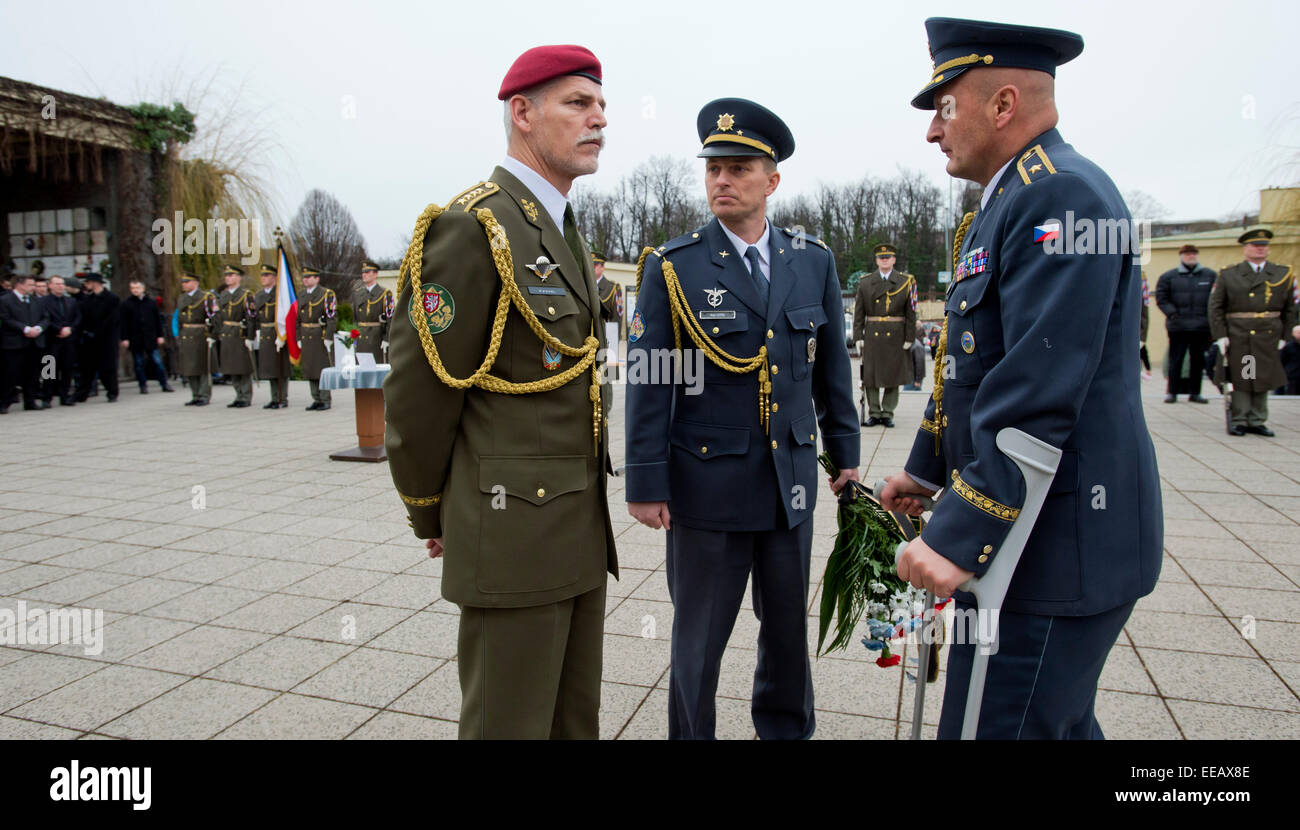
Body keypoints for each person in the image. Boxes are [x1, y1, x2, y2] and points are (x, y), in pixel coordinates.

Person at [879, 17, 1162, 740]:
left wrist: (958, 534)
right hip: (1029, 527)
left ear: (1003, 105)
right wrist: (926, 472)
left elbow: (1037, 390)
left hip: (1051, 543)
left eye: (944, 109)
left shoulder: (1058, 197)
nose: (932, 133)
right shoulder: (1007, 201)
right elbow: (972, 366)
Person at [384, 44, 618, 740]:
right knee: (508, 725)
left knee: (572, 723)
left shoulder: (559, 226)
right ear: (522, 113)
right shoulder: (474, 224)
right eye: (578, 103)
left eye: (602, 106)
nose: (599, 119)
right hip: (511, 532)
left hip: (575, 527)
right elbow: (421, 391)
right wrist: (431, 510)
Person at [625, 98, 859, 740]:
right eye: (713, 170)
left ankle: (786, 732)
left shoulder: (812, 260)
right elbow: (650, 379)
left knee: (787, 632)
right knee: (698, 641)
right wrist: (646, 481)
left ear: (772, 180)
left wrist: (844, 453)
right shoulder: (673, 265)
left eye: (738, 168)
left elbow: (829, 367)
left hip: (789, 484)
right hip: (707, 487)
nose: (721, 181)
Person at [1209, 228, 1297, 436]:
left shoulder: (1282, 273)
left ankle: (1257, 419)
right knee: (1242, 375)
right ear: (1245, 249)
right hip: (1239, 332)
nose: (1260, 249)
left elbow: (1291, 308)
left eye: (1264, 246)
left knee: (1263, 375)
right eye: (1255, 246)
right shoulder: (1229, 274)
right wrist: (1220, 335)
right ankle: (1240, 418)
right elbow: (1216, 307)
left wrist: (1285, 336)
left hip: (1268, 333)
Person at [852, 243, 917, 427]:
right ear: (876, 261)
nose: (884, 260)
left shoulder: (906, 281)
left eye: (888, 257)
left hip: (896, 335)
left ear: (894, 260)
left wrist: (909, 337)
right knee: (870, 377)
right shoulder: (865, 282)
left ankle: (887, 412)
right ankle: (874, 412)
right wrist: (858, 336)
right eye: (881, 258)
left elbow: (911, 312)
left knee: (893, 376)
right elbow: (859, 313)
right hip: (873, 335)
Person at [1155, 244, 1215, 402]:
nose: (1191, 256)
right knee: (1176, 360)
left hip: (1201, 327)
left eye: (1193, 254)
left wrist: (1209, 318)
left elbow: (1216, 299)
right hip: (1178, 326)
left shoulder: (1209, 276)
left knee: (1198, 361)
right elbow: (1161, 298)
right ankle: (1172, 392)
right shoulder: (1169, 277)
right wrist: (1173, 314)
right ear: (1181, 256)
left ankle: (1195, 392)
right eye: (1187, 254)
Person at [0, 274, 50, 413]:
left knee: (32, 374)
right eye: (30, 285)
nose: (33, 287)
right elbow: (5, 319)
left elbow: (45, 317)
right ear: (20, 285)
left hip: (34, 343)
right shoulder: (5, 300)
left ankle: (30, 401)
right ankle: (5, 402)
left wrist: (39, 328)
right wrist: (25, 328)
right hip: (14, 343)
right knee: (10, 374)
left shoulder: (36, 301)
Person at [120, 279, 174, 394]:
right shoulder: (126, 304)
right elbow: (123, 323)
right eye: (133, 288)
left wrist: (160, 335)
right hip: (135, 338)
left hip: (150, 337)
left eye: (137, 288)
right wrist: (124, 338)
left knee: (157, 361)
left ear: (143, 289)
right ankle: (142, 385)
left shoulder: (150, 303)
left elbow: (157, 321)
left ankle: (164, 383)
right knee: (139, 363)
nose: (135, 290)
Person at [73, 273, 121, 403]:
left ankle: (112, 392)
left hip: (106, 339)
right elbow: (83, 318)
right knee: (87, 368)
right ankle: (82, 393)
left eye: (88, 282)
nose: (86, 284)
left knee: (108, 367)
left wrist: (98, 332)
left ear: (95, 282)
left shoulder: (112, 299)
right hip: (89, 339)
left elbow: (112, 320)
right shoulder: (87, 300)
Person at [215, 265, 257, 407]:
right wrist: (218, 332)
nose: (228, 278)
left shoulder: (246, 295)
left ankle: (245, 396)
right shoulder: (224, 295)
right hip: (227, 334)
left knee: (242, 366)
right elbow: (219, 315)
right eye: (227, 275)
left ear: (239, 277)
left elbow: (251, 318)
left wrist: (250, 337)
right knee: (231, 366)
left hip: (240, 334)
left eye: (231, 275)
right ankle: (238, 394)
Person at [297, 267, 336, 411]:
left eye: (309, 277)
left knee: (321, 368)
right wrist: (298, 337)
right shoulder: (301, 295)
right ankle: (316, 398)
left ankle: (325, 398)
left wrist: (328, 337)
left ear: (317, 279)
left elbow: (332, 318)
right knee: (310, 368)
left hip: (320, 335)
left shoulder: (326, 294)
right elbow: (297, 318)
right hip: (306, 335)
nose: (306, 279)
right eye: (304, 277)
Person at [176, 273, 217, 406]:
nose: (184, 284)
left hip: (201, 334)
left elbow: (213, 317)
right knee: (190, 366)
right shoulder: (182, 298)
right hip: (187, 334)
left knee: (203, 366)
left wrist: (212, 335)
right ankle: (195, 394)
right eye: (183, 282)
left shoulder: (205, 297)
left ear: (195, 283)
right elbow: (179, 318)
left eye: (187, 282)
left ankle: (204, 395)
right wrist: (180, 334)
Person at [254, 263, 291, 409]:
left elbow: (286, 315)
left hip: (278, 333)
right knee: (269, 367)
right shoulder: (259, 295)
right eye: (262, 275)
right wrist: (256, 331)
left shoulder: (280, 295)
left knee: (280, 367)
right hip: (265, 333)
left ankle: (282, 398)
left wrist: (283, 334)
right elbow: (256, 316)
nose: (263, 278)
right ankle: (274, 397)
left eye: (267, 275)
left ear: (275, 277)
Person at [40, 275, 80, 406]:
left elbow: (78, 318)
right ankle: (47, 397)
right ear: (50, 285)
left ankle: (65, 396)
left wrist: (70, 329)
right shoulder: (43, 302)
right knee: (49, 370)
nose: (60, 286)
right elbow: (44, 319)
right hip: (51, 341)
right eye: (57, 284)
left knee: (67, 369)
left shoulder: (71, 301)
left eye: (62, 284)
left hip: (68, 341)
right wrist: (58, 330)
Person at [353, 260, 393, 362]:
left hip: (377, 338)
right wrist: (353, 335)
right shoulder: (358, 294)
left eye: (368, 272)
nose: (364, 275)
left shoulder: (384, 294)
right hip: (361, 338)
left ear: (375, 274)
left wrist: (386, 339)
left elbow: (390, 319)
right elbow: (355, 318)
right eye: (363, 272)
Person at [593, 251, 622, 327]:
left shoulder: (613, 288)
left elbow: (617, 318)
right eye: (590, 265)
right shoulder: (584, 286)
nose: (592, 267)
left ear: (603, 268)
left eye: (595, 265)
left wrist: (613, 338)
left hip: (604, 334)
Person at [1280, 325, 1300, 395]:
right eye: (1298, 333)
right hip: (1292, 378)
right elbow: (1282, 360)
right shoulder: (1288, 347)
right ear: (1293, 333)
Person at [906, 323, 927, 391]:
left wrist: (918, 380)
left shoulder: (916, 346)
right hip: (911, 376)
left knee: (908, 394)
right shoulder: (912, 344)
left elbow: (919, 364)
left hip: (914, 377)